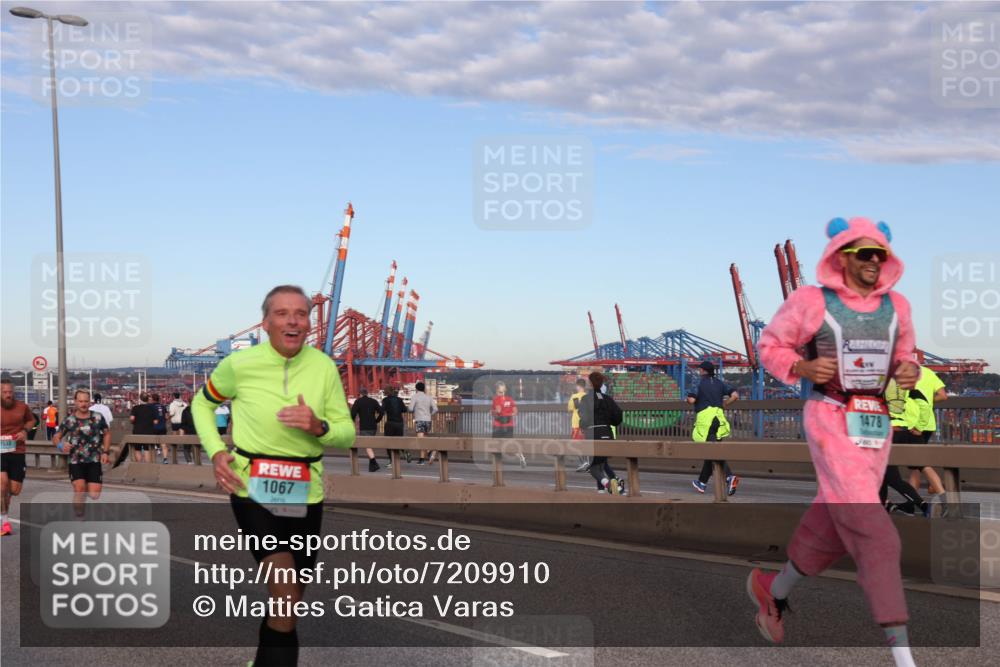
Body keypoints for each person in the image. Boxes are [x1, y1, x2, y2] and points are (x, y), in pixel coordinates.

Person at [754, 217, 921, 667]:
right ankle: (904, 658)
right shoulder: (812, 301)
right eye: (864, 253)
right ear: (842, 256)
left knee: (834, 519)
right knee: (874, 531)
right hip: (830, 416)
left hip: (875, 423)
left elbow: (906, 355)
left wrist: (908, 369)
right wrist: (802, 368)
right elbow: (770, 346)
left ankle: (774, 591)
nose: (873, 261)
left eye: (880, 254)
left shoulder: (897, 306)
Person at [192, 284, 354, 667]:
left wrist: (318, 426)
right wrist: (216, 452)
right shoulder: (239, 365)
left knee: (289, 602)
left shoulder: (324, 367)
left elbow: (347, 434)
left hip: (305, 492)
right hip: (251, 487)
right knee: (284, 590)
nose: (292, 321)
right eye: (282, 313)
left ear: (309, 323)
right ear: (265, 323)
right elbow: (202, 404)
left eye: (300, 313)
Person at [53, 389, 111, 516]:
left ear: (89, 402)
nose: (83, 404)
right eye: (80, 401)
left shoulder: (98, 417)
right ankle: (79, 515)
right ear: (75, 402)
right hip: (76, 461)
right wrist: (61, 445)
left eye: (85, 401)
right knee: (79, 489)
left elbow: (107, 434)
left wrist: (105, 452)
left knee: (94, 495)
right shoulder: (70, 420)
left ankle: (82, 498)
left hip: (94, 460)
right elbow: (56, 437)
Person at [688, 361, 740, 496]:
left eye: (700, 369)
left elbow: (692, 400)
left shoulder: (698, 383)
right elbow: (735, 395)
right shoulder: (720, 383)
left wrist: (689, 399)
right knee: (711, 451)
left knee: (713, 452)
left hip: (706, 421)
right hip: (719, 419)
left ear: (702, 371)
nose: (699, 371)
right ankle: (702, 482)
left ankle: (729, 477)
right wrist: (725, 404)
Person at [881, 379, 929, 516]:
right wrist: (919, 427)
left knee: (892, 478)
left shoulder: (879, 384)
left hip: (887, 431)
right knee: (882, 475)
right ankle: (883, 505)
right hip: (903, 430)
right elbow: (925, 406)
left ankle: (923, 505)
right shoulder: (905, 383)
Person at [577, 371, 626, 495]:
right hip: (607, 434)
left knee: (593, 467)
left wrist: (583, 425)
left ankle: (609, 485)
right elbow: (618, 415)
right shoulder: (607, 399)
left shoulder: (585, 399)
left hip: (593, 434)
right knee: (601, 463)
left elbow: (584, 418)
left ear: (590, 383)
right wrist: (611, 422)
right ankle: (607, 488)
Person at [1, 379, 37, 536]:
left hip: (17, 451)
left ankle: (3, 503)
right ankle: (4, 522)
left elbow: (32, 420)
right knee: (2, 485)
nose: (8, 395)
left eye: (10, 392)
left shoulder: (22, 407)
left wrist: (25, 431)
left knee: (14, 490)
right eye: (4, 392)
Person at [909, 366, 946, 495]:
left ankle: (916, 498)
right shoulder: (929, 372)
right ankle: (930, 488)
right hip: (928, 423)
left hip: (913, 423)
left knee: (917, 464)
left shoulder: (902, 373)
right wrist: (928, 402)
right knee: (917, 463)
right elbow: (943, 396)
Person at [491, 381, 526, 468]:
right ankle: (520, 455)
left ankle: (497, 467)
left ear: (496, 390)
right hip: (509, 426)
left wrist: (492, 411)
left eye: (502, 392)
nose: (501, 394)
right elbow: (515, 411)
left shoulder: (496, 399)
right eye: (501, 392)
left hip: (498, 426)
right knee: (509, 446)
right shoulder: (510, 399)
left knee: (495, 446)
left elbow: (498, 411)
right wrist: (509, 414)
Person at [350, 387, 385, 472]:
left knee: (367, 445)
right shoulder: (373, 401)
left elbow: (353, 414)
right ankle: (372, 466)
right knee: (369, 445)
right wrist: (377, 420)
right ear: (367, 393)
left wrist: (352, 422)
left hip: (364, 426)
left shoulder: (358, 401)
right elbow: (381, 412)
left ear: (360, 394)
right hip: (373, 427)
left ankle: (374, 462)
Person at [567, 378, 591, 472]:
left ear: (578, 386)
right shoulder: (587, 396)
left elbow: (570, 408)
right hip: (587, 423)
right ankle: (588, 463)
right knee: (585, 443)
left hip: (576, 423)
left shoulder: (574, 396)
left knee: (576, 444)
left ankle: (583, 462)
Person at [411, 381, 438, 465]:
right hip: (428, 420)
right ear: (424, 389)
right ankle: (422, 459)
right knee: (424, 438)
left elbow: (410, 408)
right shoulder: (429, 397)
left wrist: (416, 410)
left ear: (416, 389)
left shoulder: (415, 397)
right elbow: (435, 409)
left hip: (419, 420)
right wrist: (430, 414)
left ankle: (430, 451)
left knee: (420, 440)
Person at [381, 387, 409, 462]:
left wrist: (377, 419)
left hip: (390, 423)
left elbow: (382, 411)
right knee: (399, 441)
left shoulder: (385, 400)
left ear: (386, 392)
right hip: (399, 423)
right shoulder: (399, 400)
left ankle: (392, 460)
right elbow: (404, 409)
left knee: (388, 442)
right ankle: (405, 452)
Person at [129, 392, 157, 463]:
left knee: (137, 449)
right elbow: (155, 422)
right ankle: (147, 466)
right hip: (148, 431)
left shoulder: (135, 408)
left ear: (140, 399)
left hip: (137, 431)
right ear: (148, 399)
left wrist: (133, 422)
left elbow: (132, 418)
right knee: (147, 449)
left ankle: (139, 465)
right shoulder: (152, 408)